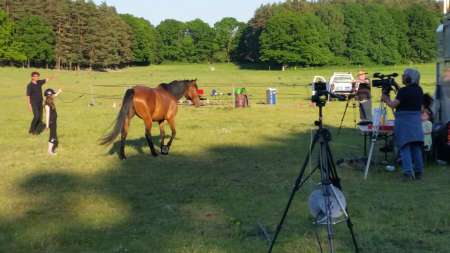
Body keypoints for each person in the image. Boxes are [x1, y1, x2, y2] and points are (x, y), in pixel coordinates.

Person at [382, 68, 424, 181]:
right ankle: (419, 172)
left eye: (404, 75)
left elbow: (392, 104)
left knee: (404, 147)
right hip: (416, 121)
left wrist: (385, 98)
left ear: (409, 78)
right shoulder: (419, 90)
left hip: (404, 121)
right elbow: (405, 95)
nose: (402, 77)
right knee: (416, 147)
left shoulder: (404, 91)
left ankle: (408, 173)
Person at [44, 88, 62, 155]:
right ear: (49, 96)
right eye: (51, 95)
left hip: (54, 121)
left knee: (53, 135)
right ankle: (50, 151)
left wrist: (59, 91)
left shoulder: (50, 101)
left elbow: (55, 95)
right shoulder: (47, 105)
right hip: (51, 122)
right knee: (53, 136)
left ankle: (50, 150)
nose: (53, 96)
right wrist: (47, 125)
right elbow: (47, 115)